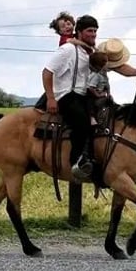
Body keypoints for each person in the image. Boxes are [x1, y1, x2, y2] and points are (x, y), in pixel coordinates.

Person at [42, 14, 99, 181]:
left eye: (95, 31)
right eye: (90, 31)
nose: (94, 34)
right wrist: (51, 98)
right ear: (80, 32)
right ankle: (77, 162)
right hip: (67, 94)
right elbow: (47, 72)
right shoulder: (67, 49)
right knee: (82, 123)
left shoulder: (86, 51)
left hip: (82, 94)